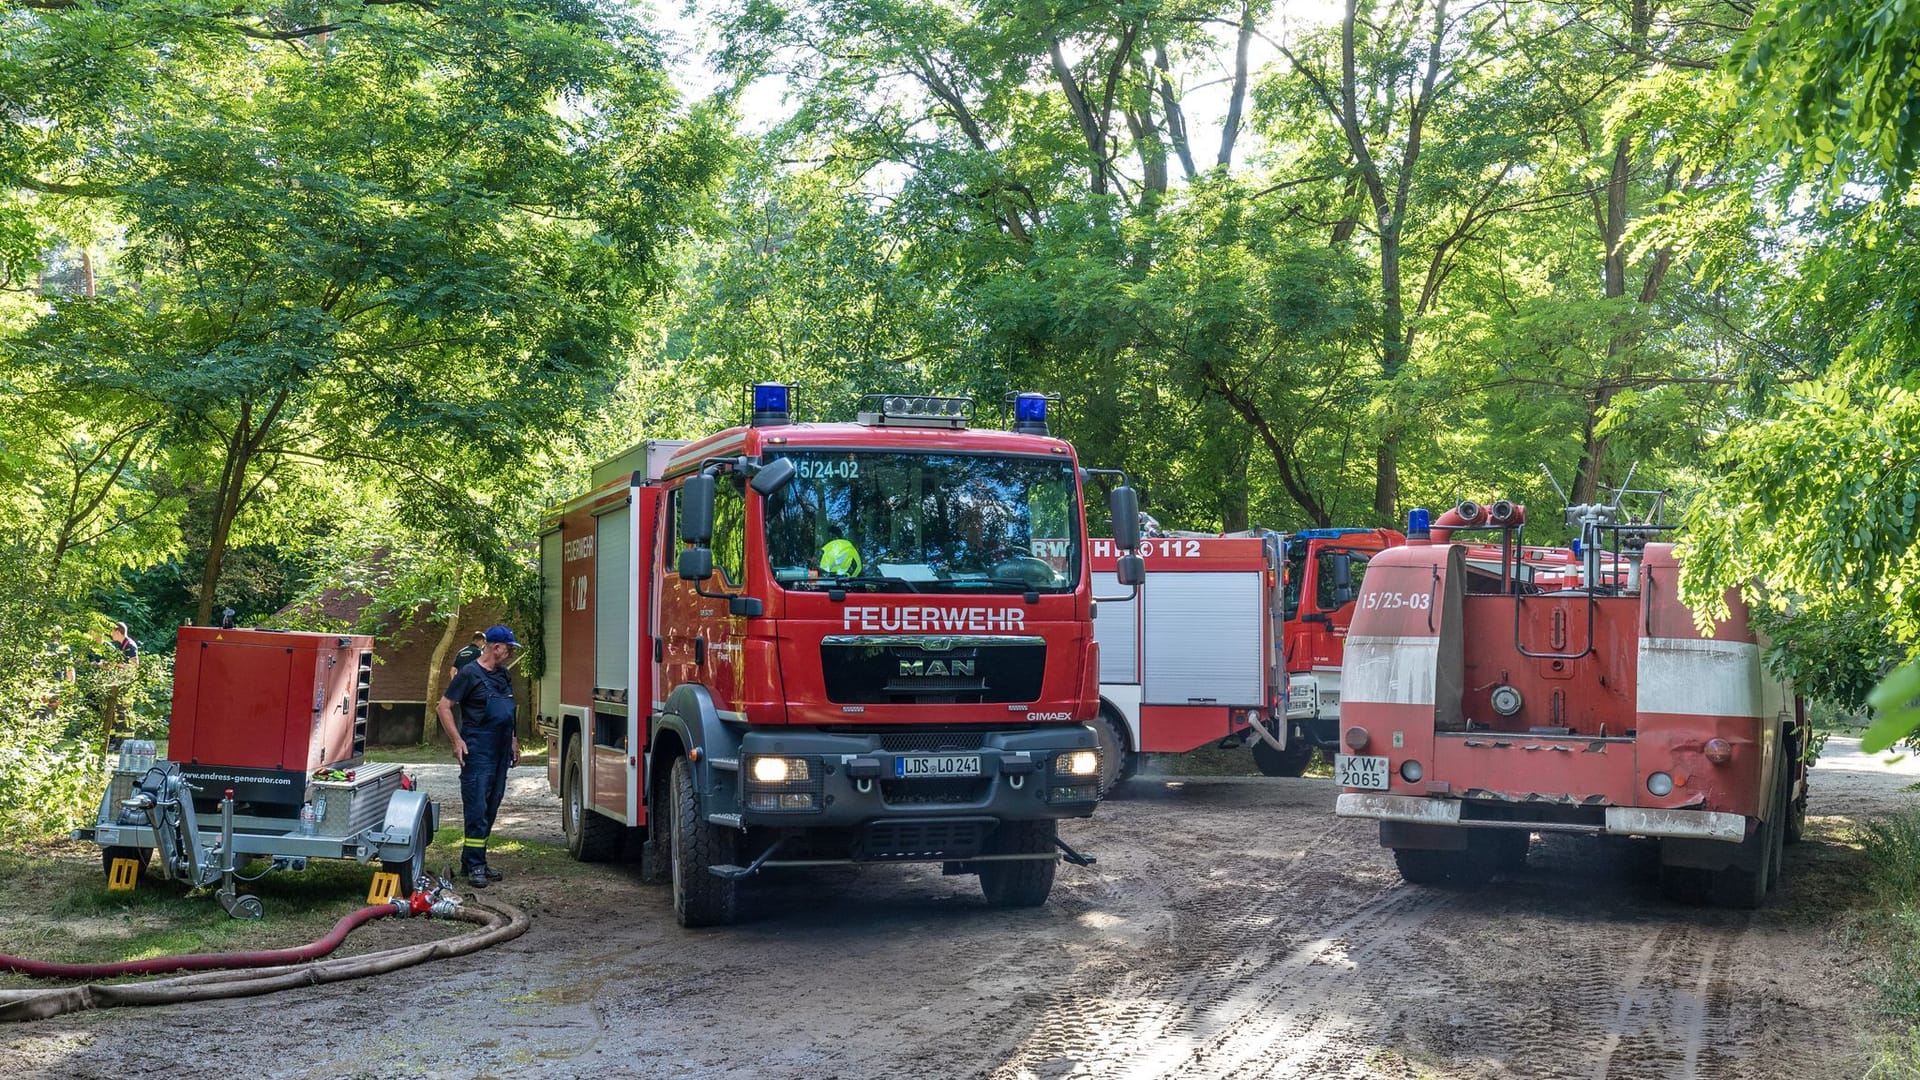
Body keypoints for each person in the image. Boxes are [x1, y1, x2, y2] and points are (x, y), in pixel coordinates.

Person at [437, 624, 522, 889]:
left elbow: (508, 709)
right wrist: (457, 741)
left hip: (500, 750)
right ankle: (475, 865)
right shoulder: (469, 674)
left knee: (492, 804)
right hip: (478, 750)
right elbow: (444, 707)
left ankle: (475, 860)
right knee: (477, 808)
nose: (509, 653)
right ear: (496, 647)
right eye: (508, 648)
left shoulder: (504, 676)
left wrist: (513, 740)